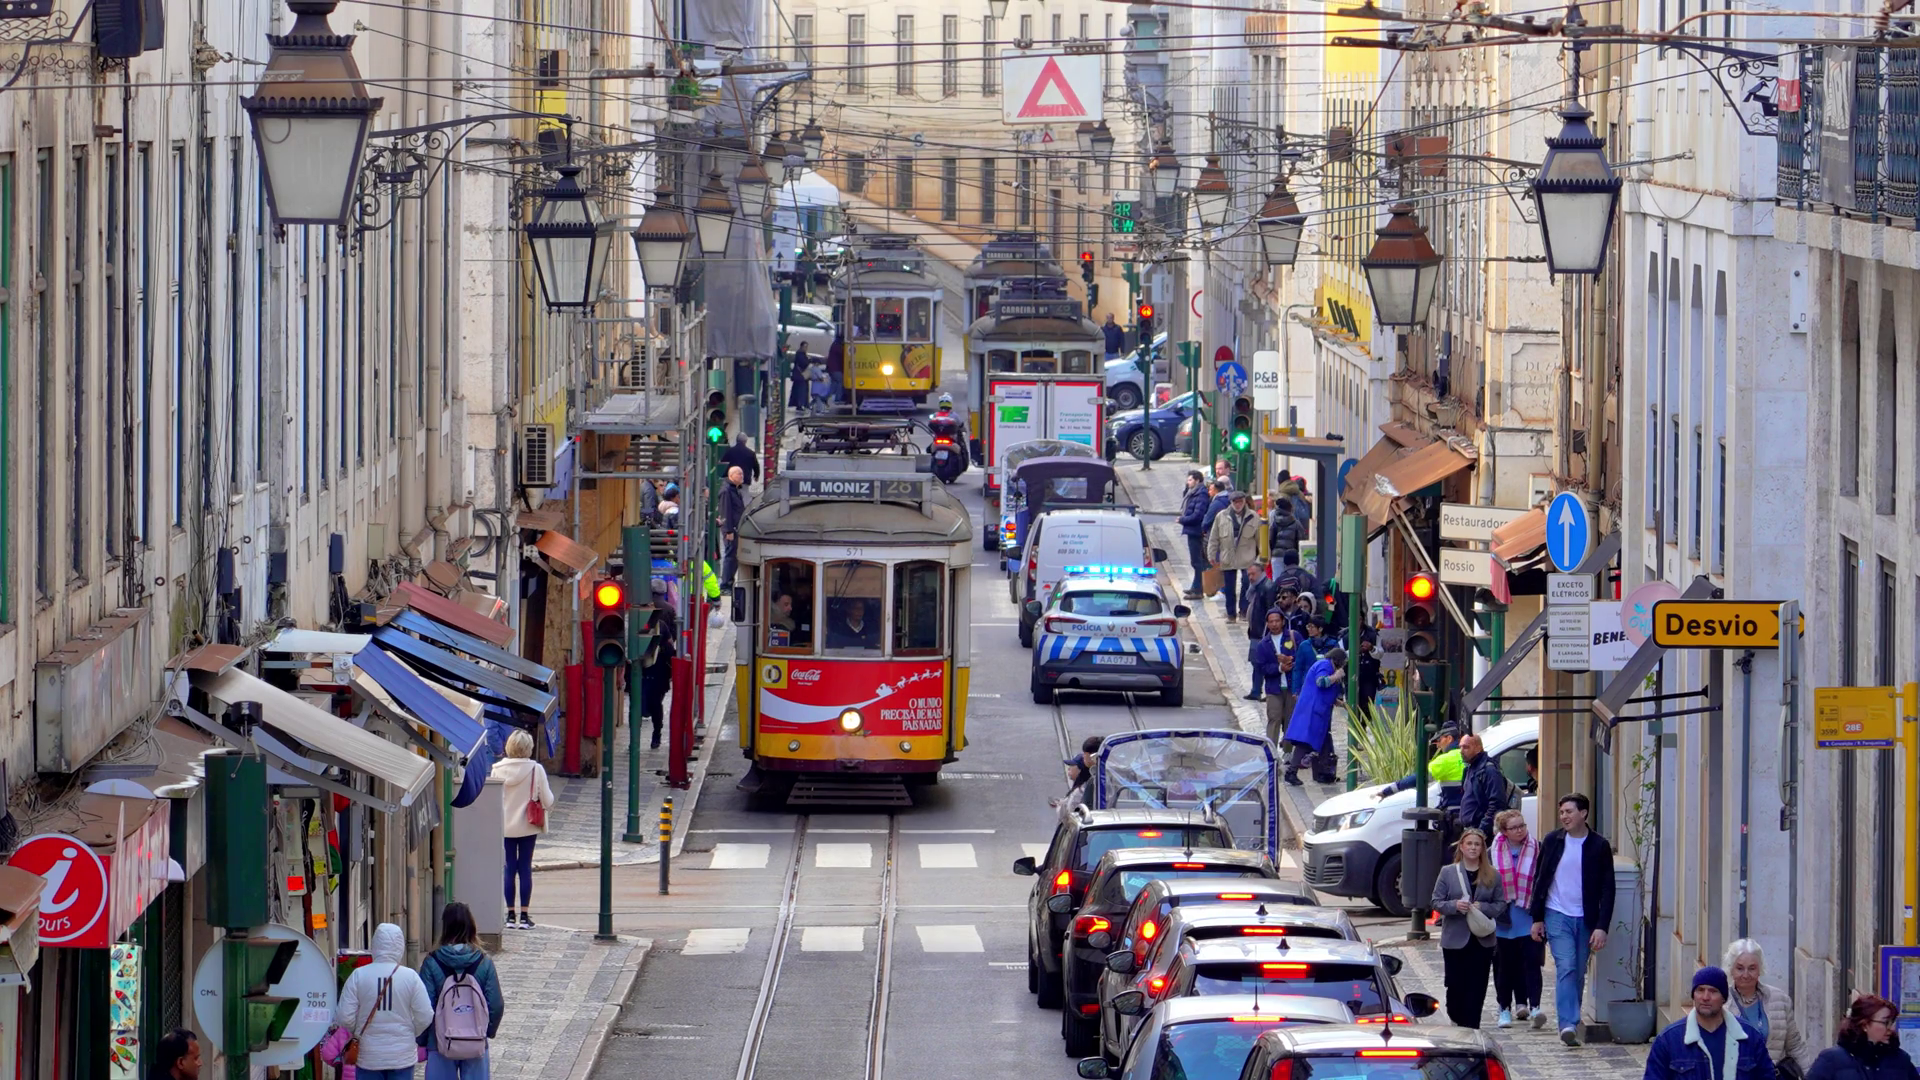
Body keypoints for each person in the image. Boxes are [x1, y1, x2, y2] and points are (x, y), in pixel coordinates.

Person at [1529, 792, 1618, 1046]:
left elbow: (1608, 888)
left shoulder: (1599, 846)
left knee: (1577, 971)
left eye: (1569, 812)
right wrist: (1537, 918)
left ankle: (1573, 1021)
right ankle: (1567, 1023)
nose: (1564, 817)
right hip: (1556, 913)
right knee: (1566, 966)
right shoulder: (1553, 840)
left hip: (1586, 917)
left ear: (1583, 813)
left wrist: (1602, 926)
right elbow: (1540, 879)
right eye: (1561, 812)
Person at [336, 922, 435, 1080]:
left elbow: (344, 1017)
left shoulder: (358, 976)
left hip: (369, 1056)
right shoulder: (411, 977)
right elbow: (426, 1015)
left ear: (375, 945)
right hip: (402, 1056)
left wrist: (358, 1031)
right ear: (400, 946)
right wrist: (410, 1032)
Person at [419, 902, 506, 1080]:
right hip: (475, 1040)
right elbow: (496, 1004)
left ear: (444, 927)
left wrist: (423, 1040)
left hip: (440, 1041)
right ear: (471, 926)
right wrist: (487, 1031)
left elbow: (424, 1006)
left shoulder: (432, 961)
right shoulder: (483, 961)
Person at [1645, 967, 1778, 1080]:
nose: (1705, 997)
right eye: (1700, 990)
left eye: (1713, 991)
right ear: (1693, 995)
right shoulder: (1668, 1040)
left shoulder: (1749, 1037)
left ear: (1723, 998)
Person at [1431, 827, 1505, 1028]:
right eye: (1469, 844)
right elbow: (1436, 901)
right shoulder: (1448, 872)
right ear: (1462, 847)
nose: (1473, 848)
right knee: (1455, 986)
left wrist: (1484, 907)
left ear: (1482, 849)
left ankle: (1472, 1028)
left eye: (1477, 844)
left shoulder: (1493, 875)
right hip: (1455, 939)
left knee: (1477, 987)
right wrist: (1454, 906)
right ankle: (1457, 1018)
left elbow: (1500, 904)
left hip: (1482, 940)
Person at [1724, 939, 1814, 1077]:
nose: (1746, 975)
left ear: (1760, 969)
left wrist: (1810, 1075)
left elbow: (1795, 1046)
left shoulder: (1780, 1000)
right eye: (1740, 968)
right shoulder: (1722, 1004)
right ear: (1731, 969)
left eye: (1752, 968)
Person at [1490, 809, 1545, 1028]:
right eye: (1514, 827)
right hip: (1504, 917)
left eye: (1522, 825)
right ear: (1504, 831)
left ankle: (1535, 1007)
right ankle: (1504, 1008)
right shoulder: (1493, 851)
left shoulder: (1537, 848)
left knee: (1532, 963)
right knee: (1504, 966)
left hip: (1529, 914)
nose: (1520, 830)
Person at [496, 729, 553, 928]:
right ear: (529, 748)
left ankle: (510, 915)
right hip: (528, 825)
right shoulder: (536, 769)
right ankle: (524, 916)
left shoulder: (497, 769)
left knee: (509, 868)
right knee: (525, 867)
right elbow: (548, 800)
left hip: (505, 826)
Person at [1807, 995, 1919, 1080]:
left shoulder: (1901, 1060)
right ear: (1864, 1024)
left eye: (1892, 1022)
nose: (1891, 1028)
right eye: (1885, 1022)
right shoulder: (1832, 1059)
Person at [1281, 646, 1346, 786]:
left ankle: (1323, 772)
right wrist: (1336, 676)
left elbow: (1325, 692)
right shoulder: (1325, 665)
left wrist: (1340, 703)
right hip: (1312, 711)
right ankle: (1292, 772)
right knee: (1305, 742)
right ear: (1337, 660)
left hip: (1318, 711)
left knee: (1321, 742)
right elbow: (1321, 682)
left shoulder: (1327, 666)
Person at [1207, 490, 1261, 623]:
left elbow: (1260, 539)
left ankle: (1244, 611)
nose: (1238, 505)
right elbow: (1214, 537)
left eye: (1240, 502)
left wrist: (1261, 559)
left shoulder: (1253, 517)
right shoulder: (1221, 516)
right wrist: (1211, 554)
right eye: (1235, 502)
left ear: (1244, 502)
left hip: (1247, 556)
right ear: (1231, 503)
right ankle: (1231, 614)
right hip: (1228, 556)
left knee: (1247, 583)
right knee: (1229, 587)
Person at [1252, 607, 1298, 747]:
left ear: (1283, 621)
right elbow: (1261, 668)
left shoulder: (1293, 637)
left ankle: (1289, 752)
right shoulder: (1263, 645)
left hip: (1292, 687)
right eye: (1271, 622)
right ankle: (1271, 751)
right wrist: (1279, 668)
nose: (1274, 624)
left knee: (1291, 720)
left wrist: (1291, 661)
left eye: (1277, 621)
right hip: (1273, 688)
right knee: (1274, 718)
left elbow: (1303, 658)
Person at [640, 584, 679, 749]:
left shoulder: (638, 622)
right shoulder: (665, 618)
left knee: (640, 704)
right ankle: (656, 734)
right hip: (659, 670)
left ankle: (638, 738)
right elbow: (671, 643)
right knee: (656, 703)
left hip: (643, 670)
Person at [1380, 723, 1464, 796]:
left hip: (1454, 807)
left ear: (1449, 738)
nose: (1437, 745)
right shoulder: (1468, 755)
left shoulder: (1445, 760)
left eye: (1439, 740)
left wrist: (1387, 791)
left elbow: (1419, 778)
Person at [1458, 733, 1510, 838]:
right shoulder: (1470, 769)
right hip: (1471, 831)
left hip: (1482, 833)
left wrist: (1482, 831)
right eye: (1460, 747)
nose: (1461, 751)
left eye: (1466, 747)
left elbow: (1497, 804)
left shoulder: (1489, 770)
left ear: (1478, 748)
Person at [1241, 562, 1279, 701]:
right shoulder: (1256, 588)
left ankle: (1262, 691)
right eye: (1249, 574)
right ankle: (1256, 690)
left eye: (1253, 574)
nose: (1251, 577)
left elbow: (1270, 611)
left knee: (1261, 663)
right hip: (1256, 632)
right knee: (1256, 662)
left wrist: (1268, 631)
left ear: (1261, 573)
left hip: (1262, 633)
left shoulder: (1267, 588)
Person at [1051, 735, 1105, 821]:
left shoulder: (1085, 786)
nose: (1084, 756)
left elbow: (1068, 815)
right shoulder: (1104, 775)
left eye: (1085, 753)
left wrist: (1061, 805)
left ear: (1093, 756)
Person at [1177, 471, 1211, 599]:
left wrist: (1182, 520)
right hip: (1192, 530)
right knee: (1195, 561)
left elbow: (1198, 515)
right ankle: (1195, 587)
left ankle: (1198, 590)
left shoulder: (1201, 494)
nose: (1188, 482)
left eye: (1190, 480)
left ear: (1197, 481)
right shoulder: (1193, 492)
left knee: (1197, 562)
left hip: (1196, 531)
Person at [719, 465, 747, 585]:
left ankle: (729, 580)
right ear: (731, 476)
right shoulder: (726, 491)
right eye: (739, 474)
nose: (741, 476)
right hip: (731, 529)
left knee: (734, 555)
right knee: (730, 556)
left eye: (742, 474)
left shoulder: (735, 489)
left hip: (736, 527)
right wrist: (728, 531)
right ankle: (726, 582)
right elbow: (725, 511)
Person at [788, 342, 812, 410]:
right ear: (801, 347)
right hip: (800, 376)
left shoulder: (801, 354)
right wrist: (809, 360)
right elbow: (803, 363)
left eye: (806, 347)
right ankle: (800, 404)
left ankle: (801, 404)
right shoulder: (800, 354)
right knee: (801, 391)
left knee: (800, 390)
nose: (806, 348)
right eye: (805, 347)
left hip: (800, 375)